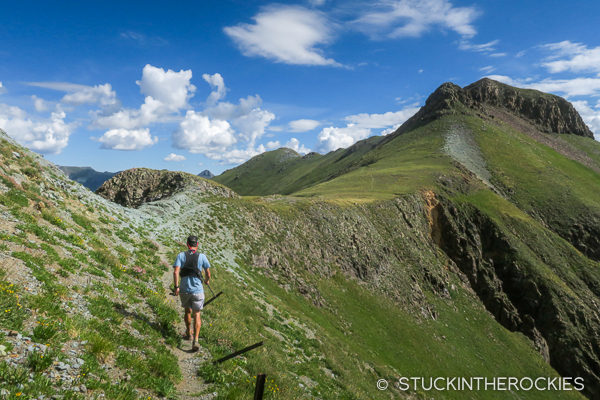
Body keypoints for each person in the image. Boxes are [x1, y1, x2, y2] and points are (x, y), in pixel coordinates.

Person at [173, 235, 211, 352]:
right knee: (197, 314)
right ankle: (196, 340)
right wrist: (206, 280)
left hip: (184, 289)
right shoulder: (202, 256)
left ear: (187, 244)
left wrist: (176, 287)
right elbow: (208, 273)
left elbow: (175, 272)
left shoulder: (181, 255)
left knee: (187, 311)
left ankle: (188, 333)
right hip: (197, 290)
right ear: (197, 244)